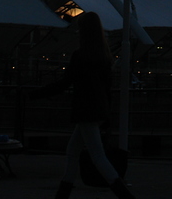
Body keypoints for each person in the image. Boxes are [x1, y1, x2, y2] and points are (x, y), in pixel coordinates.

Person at [34, 11, 135, 199]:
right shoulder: (104, 57)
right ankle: (64, 190)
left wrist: (38, 93)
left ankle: (122, 193)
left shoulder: (80, 56)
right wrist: (106, 114)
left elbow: (66, 82)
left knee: (97, 156)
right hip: (97, 109)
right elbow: (107, 88)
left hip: (84, 109)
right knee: (73, 150)